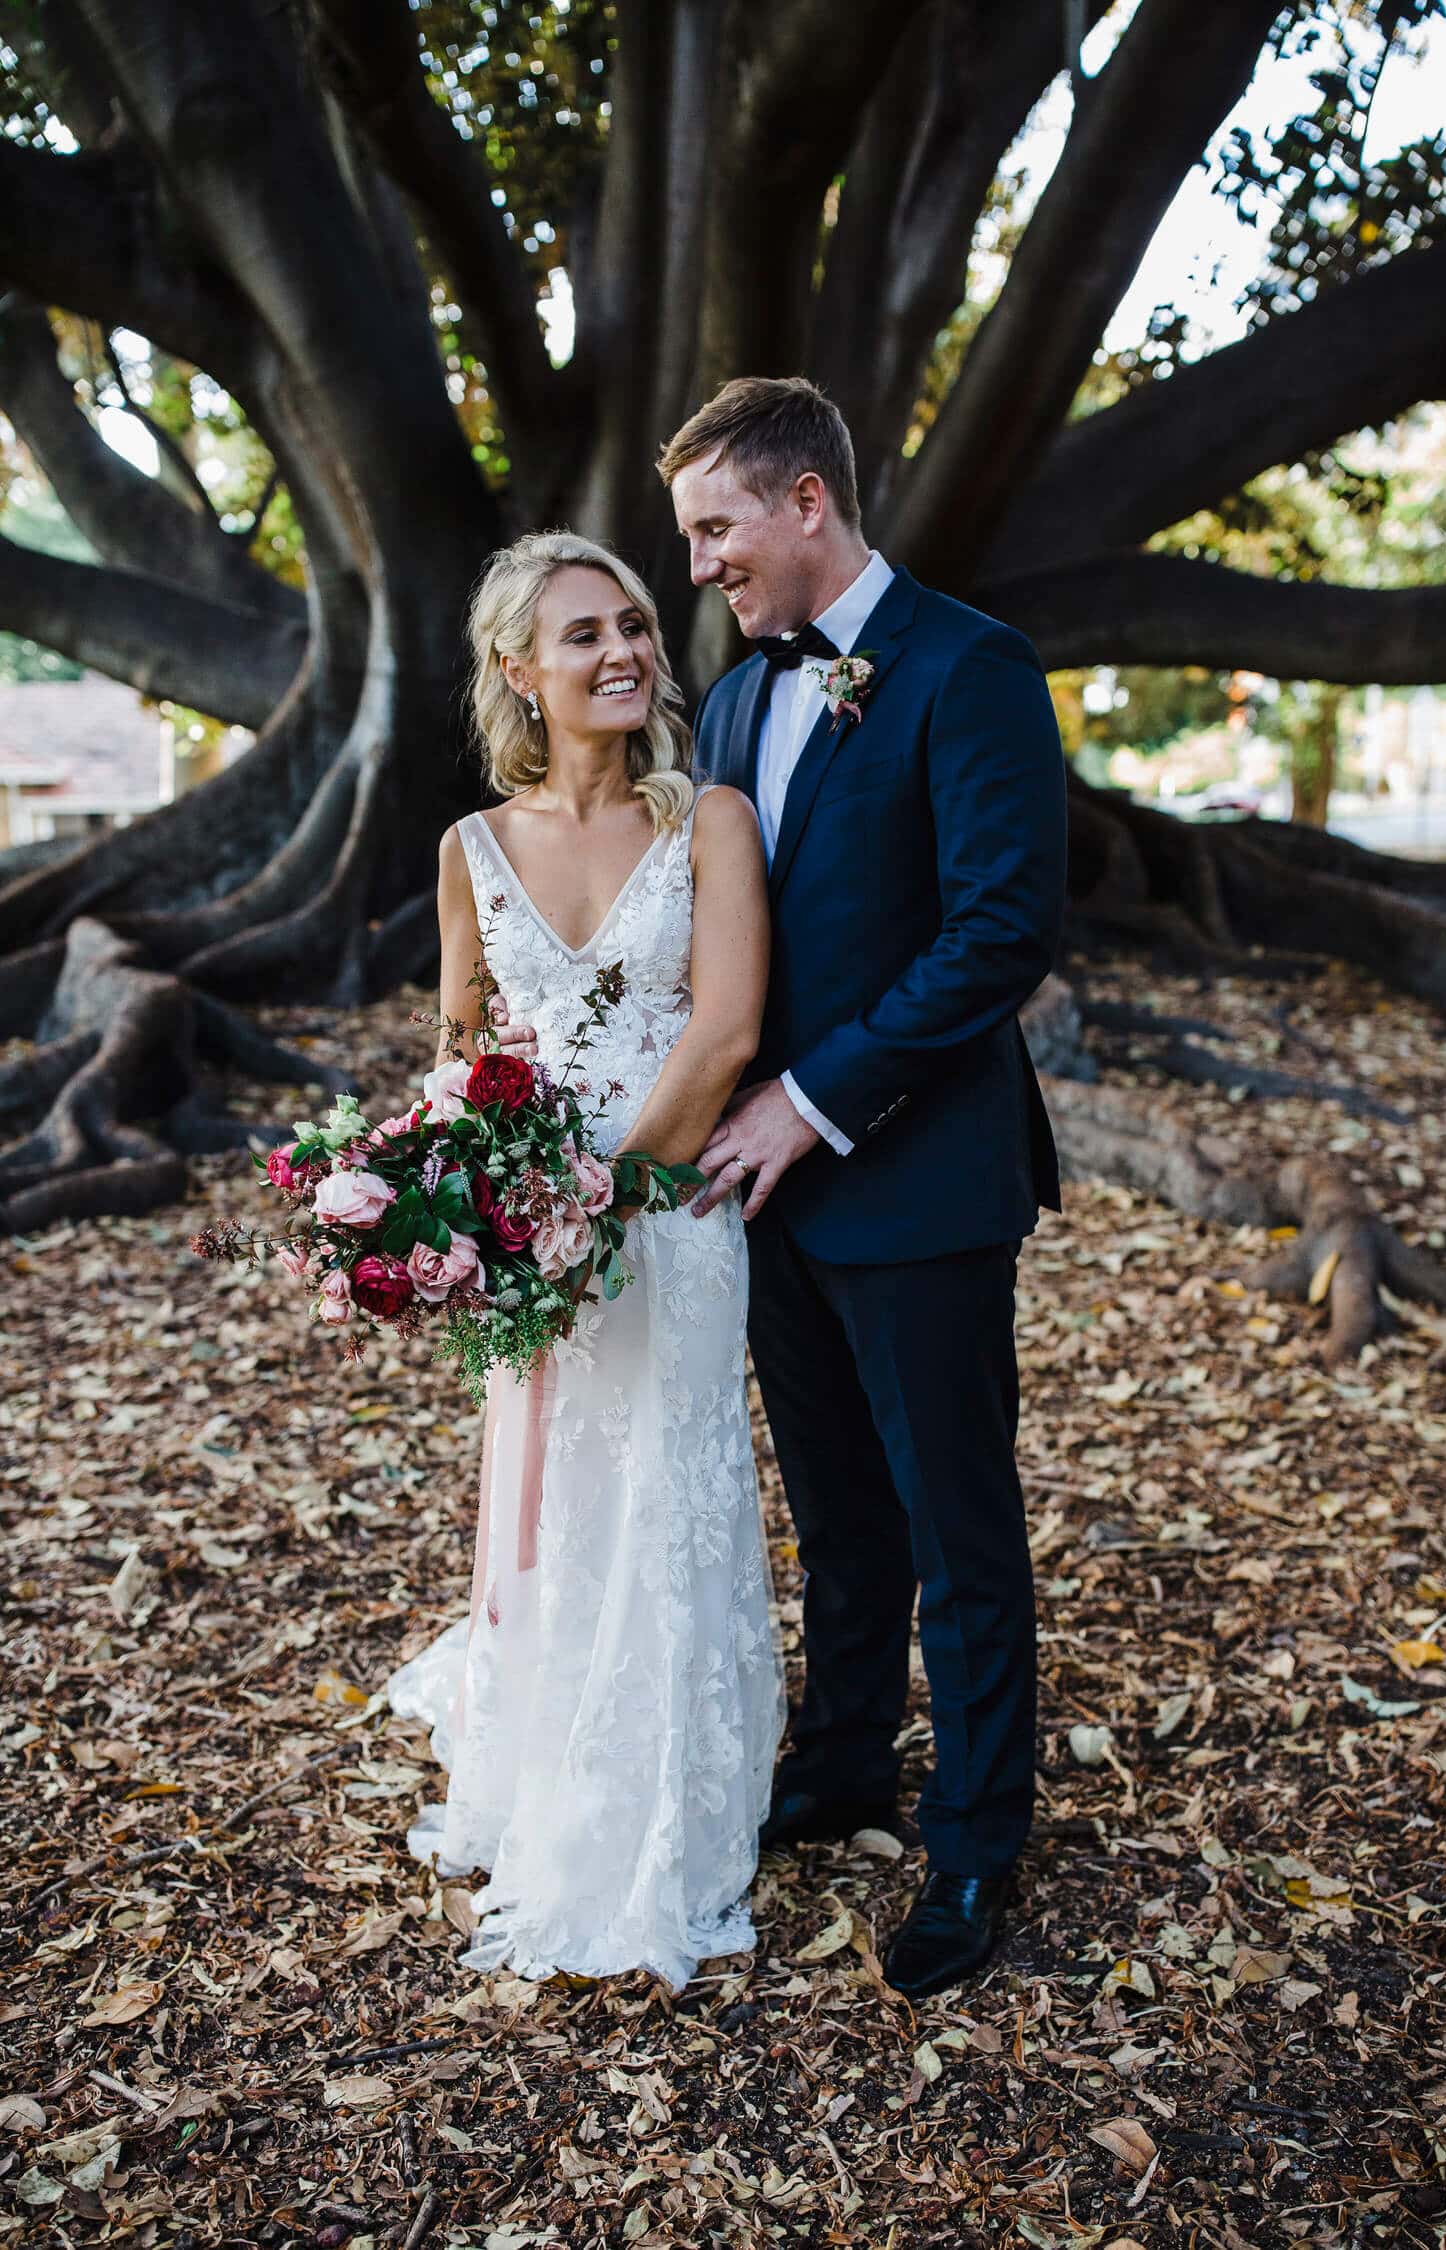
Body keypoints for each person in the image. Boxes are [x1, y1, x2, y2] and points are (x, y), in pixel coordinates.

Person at [666, 377, 1068, 1998]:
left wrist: (810, 1103)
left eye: (716, 528)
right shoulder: (733, 693)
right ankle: (842, 1764)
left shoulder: (971, 669)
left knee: (957, 1527)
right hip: (769, 1197)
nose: (698, 567)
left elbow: (1000, 933)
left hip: (918, 1181)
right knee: (835, 1509)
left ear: (807, 504)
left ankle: (976, 1833)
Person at [385, 530, 784, 1991]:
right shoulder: (469, 850)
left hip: (670, 1227)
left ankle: (669, 1813)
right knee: (552, 1497)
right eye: (583, 634)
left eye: (634, 623)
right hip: (534, 1246)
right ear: (519, 672)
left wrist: (600, 1195)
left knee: (663, 1498)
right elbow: (463, 1051)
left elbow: (726, 1032)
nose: (624, 650)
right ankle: (552, 1772)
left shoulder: (712, 824)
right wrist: (458, 1204)